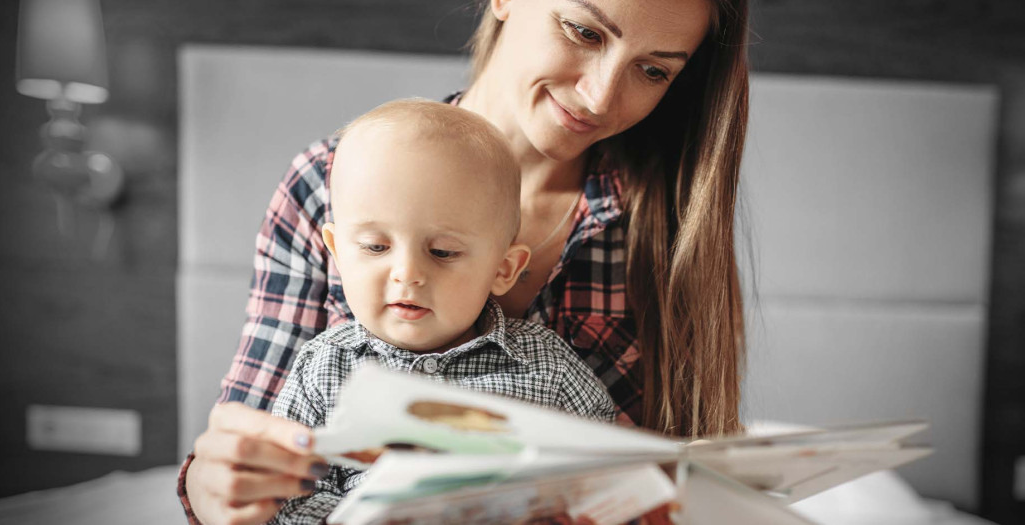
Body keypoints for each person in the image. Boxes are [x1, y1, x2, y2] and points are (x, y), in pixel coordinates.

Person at [181, 1, 751, 523]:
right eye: (583, 31)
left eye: (653, 70)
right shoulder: (327, 184)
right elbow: (246, 452)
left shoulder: (667, 228)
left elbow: (654, 486)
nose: (599, 97)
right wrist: (217, 486)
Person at [267, 99, 617, 524]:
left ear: (503, 270)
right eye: (376, 247)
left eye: (443, 252)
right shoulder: (323, 369)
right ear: (338, 253)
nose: (408, 274)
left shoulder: (548, 367)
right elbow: (284, 497)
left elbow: (611, 475)